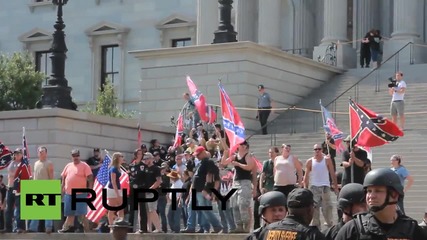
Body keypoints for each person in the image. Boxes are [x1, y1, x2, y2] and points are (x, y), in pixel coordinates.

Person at [335, 168, 427, 239]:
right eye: (369, 191)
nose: (371, 196)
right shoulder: (353, 229)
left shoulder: (412, 230)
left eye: (378, 191)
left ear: (394, 195)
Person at [257, 188, 326, 240]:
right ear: (310, 210)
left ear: (288, 209)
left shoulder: (266, 231)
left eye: (280, 210)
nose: (277, 214)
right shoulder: (312, 235)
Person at [106, 152, 125, 229]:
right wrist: (117, 194)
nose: (122, 158)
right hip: (112, 190)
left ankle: (120, 223)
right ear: (117, 158)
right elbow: (113, 181)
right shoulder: (113, 168)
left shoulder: (118, 167)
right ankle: (111, 226)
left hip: (118, 189)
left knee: (121, 208)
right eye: (121, 156)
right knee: (112, 208)